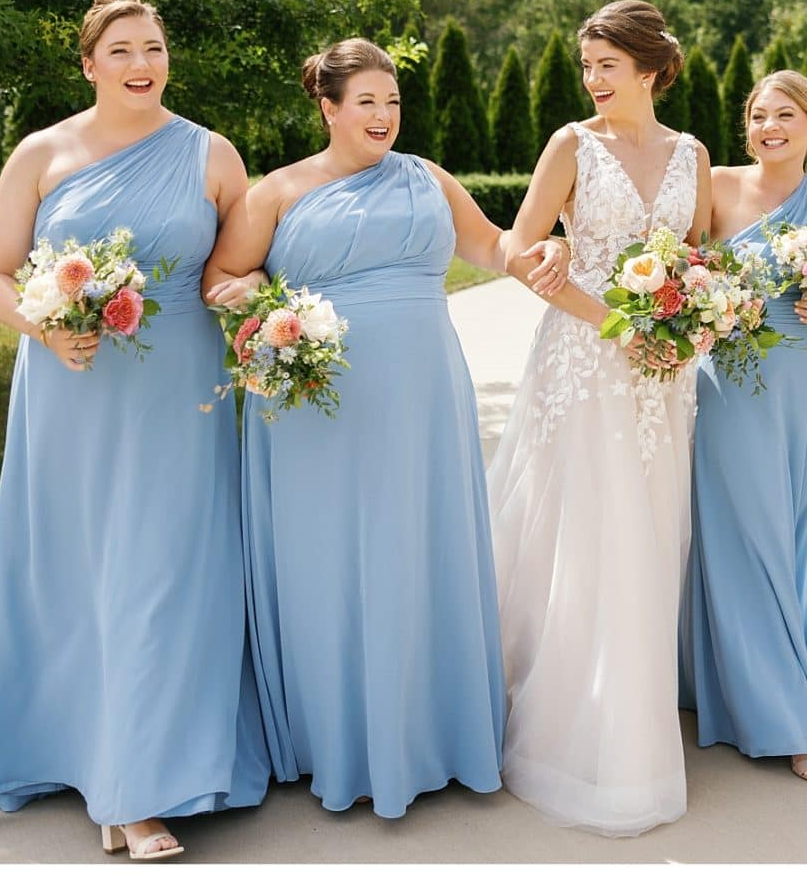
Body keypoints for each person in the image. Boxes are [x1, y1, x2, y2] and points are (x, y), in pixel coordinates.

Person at [203, 40, 569, 819]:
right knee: (329, 557)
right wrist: (265, 296)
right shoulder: (277, 192)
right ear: (329, 107)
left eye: (393, 101)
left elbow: (491, 245)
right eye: (366, 101)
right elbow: (220, 280)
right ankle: (335, 739)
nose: (384, 116)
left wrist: (538, 255)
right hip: (315, 403)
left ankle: (431, 732)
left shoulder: (427, 178)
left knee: (417, 545)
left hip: (422, 395)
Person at [0, 0, 265, 859]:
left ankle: (134, 789)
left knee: (162, 577)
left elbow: (233, 271)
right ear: (90, 63)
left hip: (181, 394)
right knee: (83, 578)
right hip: (72, 392)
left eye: (157, 46)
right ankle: (98, 765)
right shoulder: (42, 153)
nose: (145, 62)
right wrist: (44, 325)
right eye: (125, 48)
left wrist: (244, 297)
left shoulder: (213, 154)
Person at [485, 1, 712, 833]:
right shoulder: (571, 145)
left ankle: (635, 710)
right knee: (587, 531)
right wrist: (599, 305)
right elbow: (516, 246)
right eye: (588, 66)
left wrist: (692, 320)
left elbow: (696, 254)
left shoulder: (692, 152)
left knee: (648, 533)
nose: (593, 80)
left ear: (651, 70)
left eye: (607, 65)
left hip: (666, 373)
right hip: (586, 356)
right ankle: (572, 726)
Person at [682, 71, 807, 785]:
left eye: (785, 115)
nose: (769, 126)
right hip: (732, 382)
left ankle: (742, 674)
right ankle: (785, 718)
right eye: (758, 115)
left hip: (803, 383)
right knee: (749, 537)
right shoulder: (716, 187)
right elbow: (681, 270)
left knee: (791, 531)